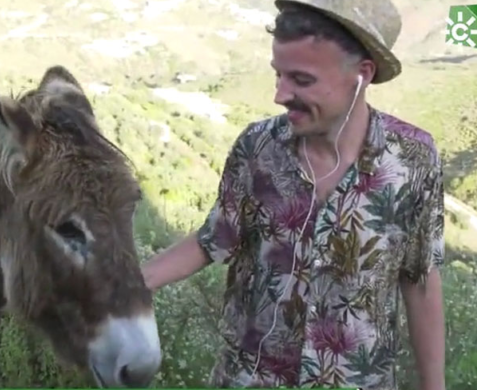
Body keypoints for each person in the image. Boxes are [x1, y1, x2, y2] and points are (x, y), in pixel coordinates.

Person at [141, 0, 447, 389]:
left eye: (301, 81)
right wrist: (132, 284)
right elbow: (215, 239)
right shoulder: (257, 147)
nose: (280, 95)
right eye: (278, 76)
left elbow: (419, 276)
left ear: (361, 75)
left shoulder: (414, 158)